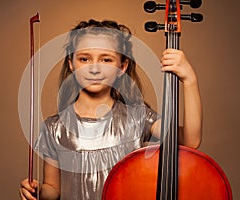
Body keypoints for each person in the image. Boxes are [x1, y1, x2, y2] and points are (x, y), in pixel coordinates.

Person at [19, 19, 202, 200]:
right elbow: (53, 189)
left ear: (122, 67)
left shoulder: (138, 118)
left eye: (106, 59)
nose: (95, 69)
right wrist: (38, 192)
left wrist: (190, 80)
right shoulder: (54, 128)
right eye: (84, 59)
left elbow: (190, 140)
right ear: (71, 64)